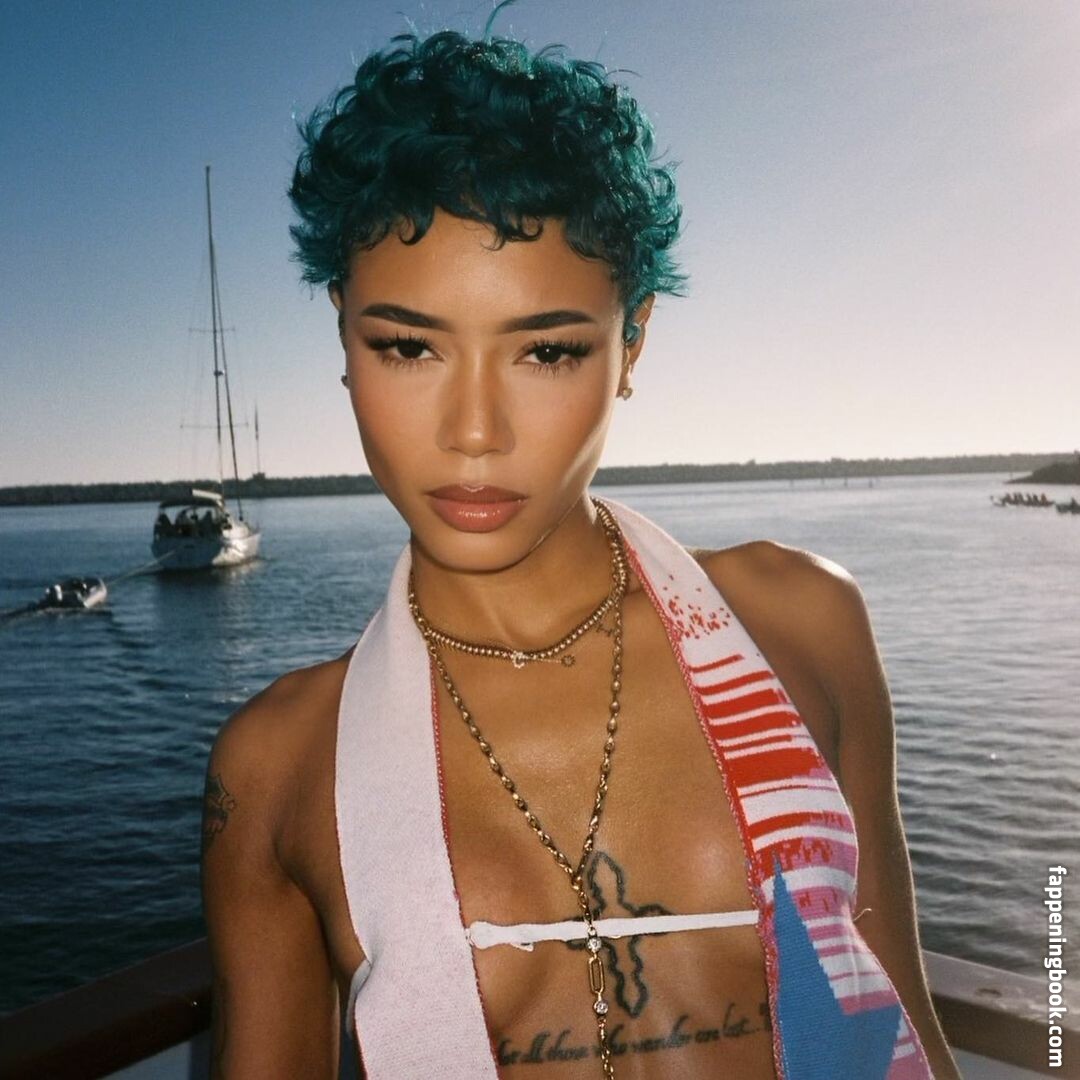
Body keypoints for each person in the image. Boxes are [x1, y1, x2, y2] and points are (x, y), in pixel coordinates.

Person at [200, 9, 960, 1079]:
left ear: (631, 340)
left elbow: (903, 1027)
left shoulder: (802, 622)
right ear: (343, 331)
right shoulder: (279, 769)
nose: (474, 433)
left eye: (546, 351)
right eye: (409, 346)